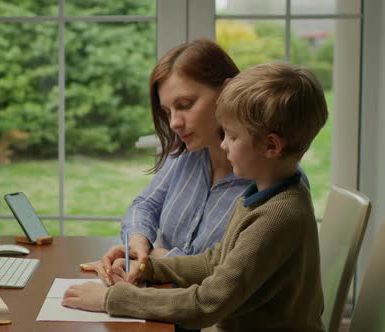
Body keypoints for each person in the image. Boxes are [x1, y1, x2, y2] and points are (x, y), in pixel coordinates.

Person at [62, 62, 328, 331]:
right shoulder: (262, 195)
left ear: (271, 145)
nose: (223, 144)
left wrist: (110, 298)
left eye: (232, 137)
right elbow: (214, 261)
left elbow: (206, 304)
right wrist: (150, 267)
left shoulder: (277, 217)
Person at [83, 39, 252, 284]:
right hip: (166, 305)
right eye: (167, 111)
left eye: (185, 105)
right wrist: (138, 245)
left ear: (228, 92)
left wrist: (160, 259)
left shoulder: (266, 177)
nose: (174, 123)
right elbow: (144, 205)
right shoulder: (187, 154)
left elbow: (223, 278)